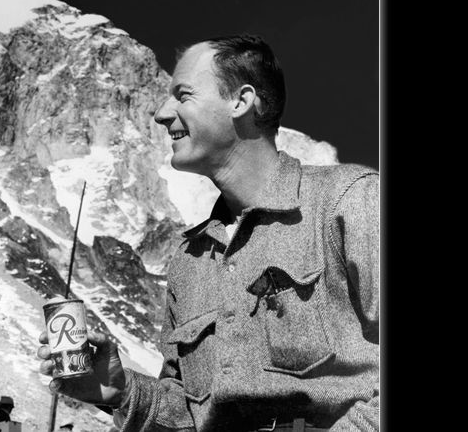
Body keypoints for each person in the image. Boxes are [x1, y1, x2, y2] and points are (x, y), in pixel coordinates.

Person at [37, 34, 379, 431]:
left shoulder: (350, 201)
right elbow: (188, 414)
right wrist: (118, 390)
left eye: (182, 95)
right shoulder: (188, 259)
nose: (162, 114)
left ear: (241, 101)